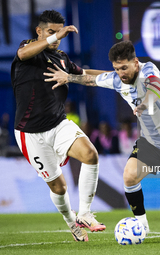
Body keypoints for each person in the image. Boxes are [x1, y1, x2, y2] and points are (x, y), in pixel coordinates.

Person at [45, 40, 160, 240]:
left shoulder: (149, 70)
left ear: (135, 62)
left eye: (124, 67)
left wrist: (144, 104)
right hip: (150, 142)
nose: (121, 73)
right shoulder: (117, 79)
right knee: (129, 176)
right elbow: (92, 79)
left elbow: (154, 89)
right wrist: (69, 77)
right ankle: (142, 225)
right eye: (117, 69)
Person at [11, 10, 107, 242]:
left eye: (59, 33)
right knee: (59, 188)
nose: (57, 38)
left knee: (90, 154)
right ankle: (71, 222)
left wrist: (117, 77)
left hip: (58, 124)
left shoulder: (62, 58)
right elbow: (23, 53)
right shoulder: (29, 49)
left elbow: (84, 75)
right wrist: (56, 36)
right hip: (30, 133)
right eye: (51, 32)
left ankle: (84, 213)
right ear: (39, 32)